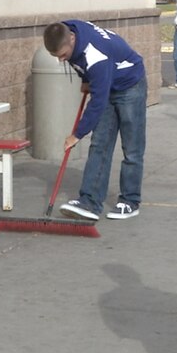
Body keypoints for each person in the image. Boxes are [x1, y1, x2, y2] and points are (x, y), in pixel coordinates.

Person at [43, 20, 147, 221]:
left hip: (130, 84)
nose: (62, 60)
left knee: (132, 148)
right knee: (100, 144)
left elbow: (97, 102)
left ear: (72, 39)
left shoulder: (95, 54)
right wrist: (85, 80)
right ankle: (90, 201)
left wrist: (77, 134)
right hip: (106, 79)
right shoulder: (68, 30)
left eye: (63, 55)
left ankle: (130, 201)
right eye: (57, 57)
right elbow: (82, 64)